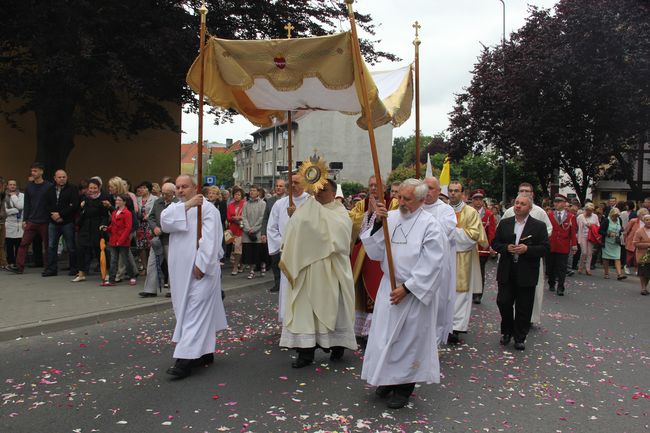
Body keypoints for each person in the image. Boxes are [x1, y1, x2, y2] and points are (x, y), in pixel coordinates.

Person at [360, 179, 449, 409]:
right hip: (389, 287)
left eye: (407, 199)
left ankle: (404, 387)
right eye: (400, 197)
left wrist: (408, 288)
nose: (401, 202)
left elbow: (433, 263)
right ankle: (387, 379)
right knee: (384, 337)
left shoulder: (431, 225)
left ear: (422, 200)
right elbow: (375, 251)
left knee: (409, 341)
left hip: (412, 293)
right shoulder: (391, 217)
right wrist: (379, 223)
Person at [279, 179, 356, 368]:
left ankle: (338, 345)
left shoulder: (340, 212)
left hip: (330, 268)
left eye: (325, 189)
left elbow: (339, 239)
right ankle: (305, 352)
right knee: (305, 311)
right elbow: (296, 233)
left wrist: (303, 222)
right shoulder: (307, 208)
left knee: (335, 308)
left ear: (333, 191)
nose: (320, 193)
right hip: (307, 268)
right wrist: (295, 218)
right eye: (317, 189)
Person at [161, 175, 227, 379]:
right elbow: (165, 222)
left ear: (195, 187)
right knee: (188, 310)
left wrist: (202, 263)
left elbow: (211, 239)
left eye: (185, 187)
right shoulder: (178, 207)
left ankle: (184, 360)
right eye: (178, 187)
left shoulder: (208, 210)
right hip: (180, 271)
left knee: (193, 313)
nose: (180, 190)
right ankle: (205, 352)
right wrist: (188, 204)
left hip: (200, 271)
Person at [492, 194, 549, 351]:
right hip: (507, 270)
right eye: (516, 203)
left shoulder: (538, 226)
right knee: (503, 302)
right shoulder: (505, 223)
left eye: (522, 204)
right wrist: (506, 248)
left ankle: (519, 337)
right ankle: (506, 331)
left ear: (529, 208)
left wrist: (527, 249)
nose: (518, 206)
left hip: (526, 271)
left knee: (524, 306)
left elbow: (545, 248)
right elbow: (495, 243)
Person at [348, 175, 399, 341]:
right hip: (361, 254)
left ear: (384, 188)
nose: (373, 188)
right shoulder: (361, 204)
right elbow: (351, 222)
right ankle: (362, 328)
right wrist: (367, 214)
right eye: (370, 185)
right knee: (361, 290)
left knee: (376, 290)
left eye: (376, 185)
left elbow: (394, 222)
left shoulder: (393, 203)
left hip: (379, 255)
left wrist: (379, 216)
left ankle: (375, 328)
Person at [500, 183, 552, 326]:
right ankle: (509, 324)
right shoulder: (510, 211)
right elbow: (501, 231)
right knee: (505, 298)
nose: (524, 193)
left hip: (530, 257)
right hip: (511, 259)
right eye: (521, 191)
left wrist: (532, 241)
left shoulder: (540, 212)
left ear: (532, 194)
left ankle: (530, 318)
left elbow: (548, 229)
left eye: (527, 191)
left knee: (530, 291)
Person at [447, 180, 487, 344]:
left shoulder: (470, 212)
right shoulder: (442, 210)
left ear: (463, 194)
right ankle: (443, 324)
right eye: (451, 191)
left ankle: (456, 328)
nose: (453, 194)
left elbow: (473, 236)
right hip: (443, 256)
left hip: (462, 256)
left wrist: (450, 231)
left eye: (457, 191)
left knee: (460, 293)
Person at [267, 174, 310, 321]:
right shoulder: (280, 204)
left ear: (304, 184)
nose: (293, 185)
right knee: (287, 287)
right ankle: (287, 319)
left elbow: (314, 227)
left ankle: (303, 321)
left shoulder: (311, 202)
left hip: (306, 254)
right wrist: (283, 244)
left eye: (296, 182)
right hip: (286, 252)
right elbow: (272, 228)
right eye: (290, 182)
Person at [422, 176, 457, 344]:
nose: (427, 192)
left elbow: (444, 233)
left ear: (438, 191)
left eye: (431, 188)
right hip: (418, 263)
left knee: (438, 302)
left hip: (438, 264)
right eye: (425, 187)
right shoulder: (415, 207)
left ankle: (435, 339)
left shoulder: (446, 210)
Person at [11, 162, 53, 274]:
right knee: (23, 243)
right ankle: (19, 267)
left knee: (47, 245)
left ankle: (48, 267)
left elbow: (52, 203)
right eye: (32, 171)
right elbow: (27, 204)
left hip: (45, 221)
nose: (33, 173)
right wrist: (25, 220)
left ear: (41, 172)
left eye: (35, 171)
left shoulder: (49, 186)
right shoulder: (29, 187)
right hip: (32, 220)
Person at [139, 182, 177, 297]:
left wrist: (163, 229)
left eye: (167, 194)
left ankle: (173, 290)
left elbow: (176, 222)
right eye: (163, 193)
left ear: (173, 194)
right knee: (152, 263)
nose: (164, 196)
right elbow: (151, 217)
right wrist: (154, 227)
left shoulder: (178, 204)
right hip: (157, 239)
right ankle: (150, 289)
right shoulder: (158, 202)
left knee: (172, 264)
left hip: (171, 239)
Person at [43, 169, 79, 277]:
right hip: (53, 222)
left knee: (71, 246)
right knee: (51, 246)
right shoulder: (49, 189)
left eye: (64, 177)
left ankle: (74, 268)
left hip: (67, 221)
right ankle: (51, 269)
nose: (62, 179)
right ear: (55, 178)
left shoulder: (72, 189)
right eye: (59, 177)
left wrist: (61, 215)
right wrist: (53, 215)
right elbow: (46, 204)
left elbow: (74, 205)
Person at [73, 178, 109, 282]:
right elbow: (79, 212)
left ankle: (105, 272)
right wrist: (81, 207)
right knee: (80, 250)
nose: (92, 190)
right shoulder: (84, 198)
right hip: (85, 227)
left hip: (97, 227)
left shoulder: (103, 198)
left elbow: (105, 215)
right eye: (90, 188)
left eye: (95, 188)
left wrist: (103, 225)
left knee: (99, 250)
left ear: (99, 188)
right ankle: (81, 273)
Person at [101, 194, 137, 286]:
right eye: (116, 200)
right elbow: (113, 225)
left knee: (125, 260)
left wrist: (121, 240)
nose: (117, 202)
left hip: (122, 240)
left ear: (124, 202)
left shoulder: (127, 213)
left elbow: (128, 228)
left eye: (119, 200)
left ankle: (132, 276)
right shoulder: (114, 212)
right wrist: (107, 228)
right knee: (113, 260)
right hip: (114, 239)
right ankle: (112, 279)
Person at [546, 194, 577, 296]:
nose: (556, 204)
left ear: (564, 204)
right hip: (551, 244)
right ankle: (551, 282)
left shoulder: (571, 217)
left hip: (563, 245)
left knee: (562, 268)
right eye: (555, 202)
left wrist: (574, 245)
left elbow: (573, 232)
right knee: (550, 266)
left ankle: (560, 287)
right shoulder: (549, 215)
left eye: (559, 202)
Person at [470, 189, 496, 304]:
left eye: (480, 199)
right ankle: (469, 291)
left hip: (481, 249)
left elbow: (491, 232)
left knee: (480, 271)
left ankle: (478, 294)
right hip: (469, 247)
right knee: (469, 271)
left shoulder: (489, 214)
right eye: (476, 199)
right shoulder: (468, 212)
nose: (478, 202)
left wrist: (490, 246)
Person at [261, 179, 287, 292]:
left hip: (286, 236)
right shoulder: (270, 201)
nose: (278, 188)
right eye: (277, 186)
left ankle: (286, 283)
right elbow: (266, 218)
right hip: (274, 237)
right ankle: (277, 283)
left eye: (281, 186)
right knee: (275, 262)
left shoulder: (289, 200)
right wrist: (263, 233)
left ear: (285, 188)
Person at [242, 184, 266, 279]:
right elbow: (244, 217)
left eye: (254, 190)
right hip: (247, 232)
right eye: (251, 190)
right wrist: (248, 229)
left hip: (258, 232)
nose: (252, 192)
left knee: (259, 251)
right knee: (249, 252)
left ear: (258, 192)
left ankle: (262, 266)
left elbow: (262, 218)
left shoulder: (263, 204)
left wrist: (254, 228)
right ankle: (251, 270)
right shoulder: (245, 204)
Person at [600, 207, 626, 280]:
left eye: (617, 216)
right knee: (606, 258)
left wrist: (621, 230)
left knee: (617, 257)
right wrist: (608, 234)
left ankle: (619, 274)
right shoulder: (606, 220)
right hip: (607, 242)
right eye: (614, 216)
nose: (616, 217)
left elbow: (620, 228)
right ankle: (606, 273)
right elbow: (600, 231)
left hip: (616, 242)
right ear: (611, 215)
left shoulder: (619, 220)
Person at [135, 181, 156, 275]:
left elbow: (155, 211)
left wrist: (149, 215)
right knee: (141, 247)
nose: (142, 190)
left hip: (150, 225)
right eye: (141, 188)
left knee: (150, 246)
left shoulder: (155, 199)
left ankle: (151, 268)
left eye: (144, 188)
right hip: (140, 224)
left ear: (149, 189)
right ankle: (144, 267)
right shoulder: (137, 199)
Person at [4, 180, 24, 268]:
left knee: (19, 245)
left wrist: (14, 197)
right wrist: (16, 210)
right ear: (7, 186)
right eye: (10, 185)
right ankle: (10, 262)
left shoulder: (22, 195)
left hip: (20, 224)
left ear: (16, 186)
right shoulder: (4, 196)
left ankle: (18, 263)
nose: (12, 186)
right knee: (9, 246)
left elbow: (22, 206)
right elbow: (5, 211)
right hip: (9, 224)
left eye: (14, 185)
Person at [577, 202, 600, 275]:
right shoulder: (580, 216)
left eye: (591, 210)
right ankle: (580, 266)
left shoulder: (595, 216)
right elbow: (578, 227)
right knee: (584, 252)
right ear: (585, 209)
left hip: (591, 236)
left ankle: (588, 268)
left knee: (590, 253)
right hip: (583, 235)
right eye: (588, 210)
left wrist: (592, 226)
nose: (589, 212)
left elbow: (598, 226)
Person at [226, 187, 245, 275]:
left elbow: (246, 216)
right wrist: (235, 218)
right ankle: (240, 264)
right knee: (234, 248)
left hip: (241, 229)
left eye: (238, 194)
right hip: (232, 228)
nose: (236, 196)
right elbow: (229, 217)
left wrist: (239, 217)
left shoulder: (245, 204)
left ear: (241, 196)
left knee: (238, 248)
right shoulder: (230, 205)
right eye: (235, 194)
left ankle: (235, 266)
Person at [632, 214, 650, 296]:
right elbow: (635, 243)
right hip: (642, 255)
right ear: (644, 221)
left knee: (648, 273)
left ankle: (645, 287)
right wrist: (648, 245)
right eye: (647, 220)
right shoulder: (639, 231)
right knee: (643, 272)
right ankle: (643, 288)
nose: (649, 221)